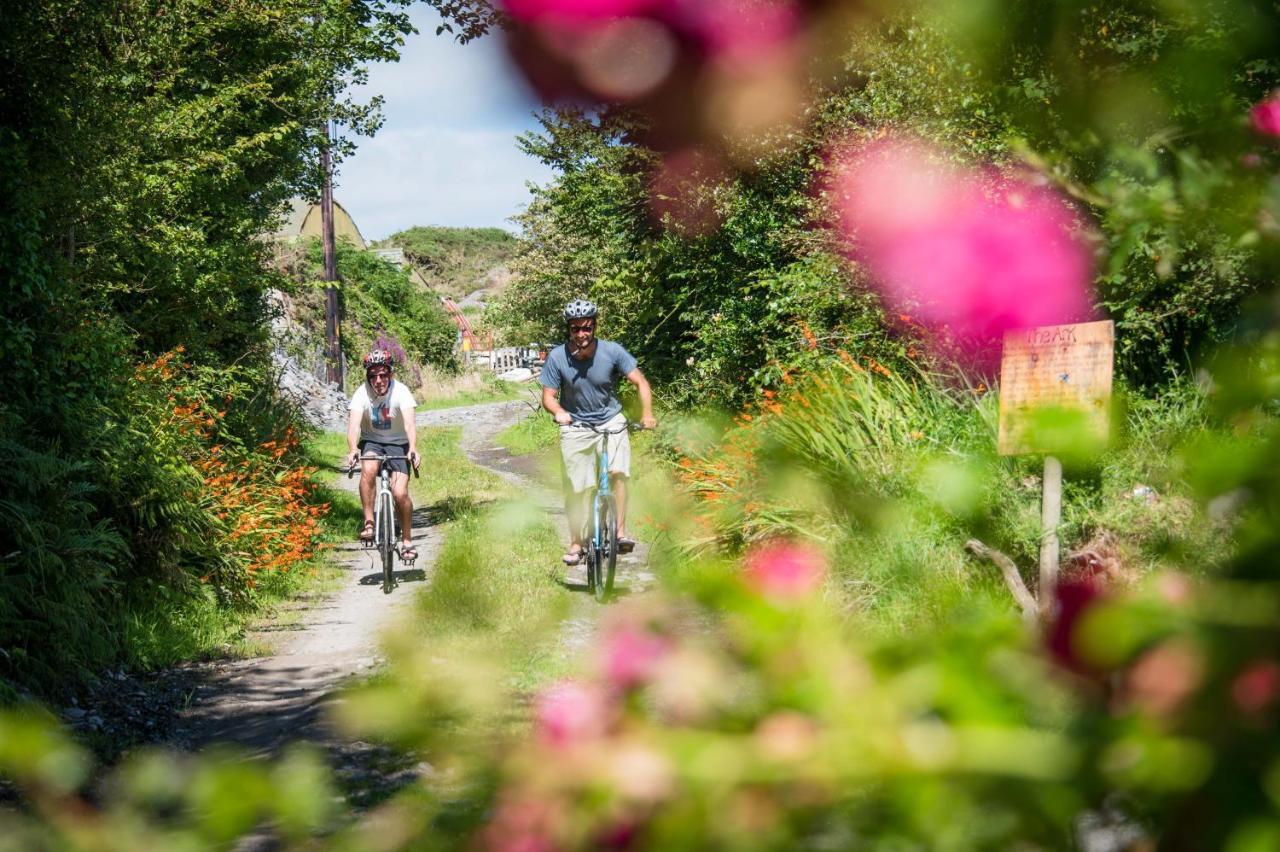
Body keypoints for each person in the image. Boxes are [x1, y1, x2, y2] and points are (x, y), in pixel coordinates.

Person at [541, 299, 657, 566]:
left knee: (619, 473)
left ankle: (619, 533)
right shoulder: (558, 357)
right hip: (576, 423)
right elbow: (548, 396)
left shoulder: (612, 351)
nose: (581, 334)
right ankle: (575, 542)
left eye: (587, 328)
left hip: (610, 420)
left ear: (594, 327)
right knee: (576, 487)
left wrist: (647, 414)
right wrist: (558, 411)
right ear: (568, 330)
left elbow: (640, 382)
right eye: (575, 329)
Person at [346, 349, 420, 560]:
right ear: (368, 377)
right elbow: (353, 427)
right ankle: (369, 523)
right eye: (373, 376)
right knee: (368, 468)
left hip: (399, 444)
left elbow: (409, 424)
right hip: (372, 442)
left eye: (383, 375)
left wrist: (413, 448)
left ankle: (406, 541)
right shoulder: (361, 393)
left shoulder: (402, 392)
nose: (378, 380)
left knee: (400, 494)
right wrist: (353, 449)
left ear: (391, 375)